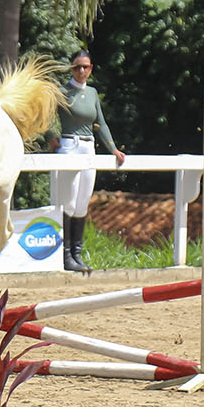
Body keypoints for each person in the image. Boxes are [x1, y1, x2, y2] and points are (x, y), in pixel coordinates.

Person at [47, 49, 124, 272]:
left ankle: (77, 254)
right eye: (78, 67)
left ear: (90, 69)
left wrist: (113, 149)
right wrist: (52, 137)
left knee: (83, 201)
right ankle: (65, 255)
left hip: (89, 147)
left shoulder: (92, 93)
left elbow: (101, 122)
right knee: (69, 200)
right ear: (71, 68)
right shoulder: (61, 92)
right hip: (69, 145)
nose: (82, 71)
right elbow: (47, 117)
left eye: (86, 67)